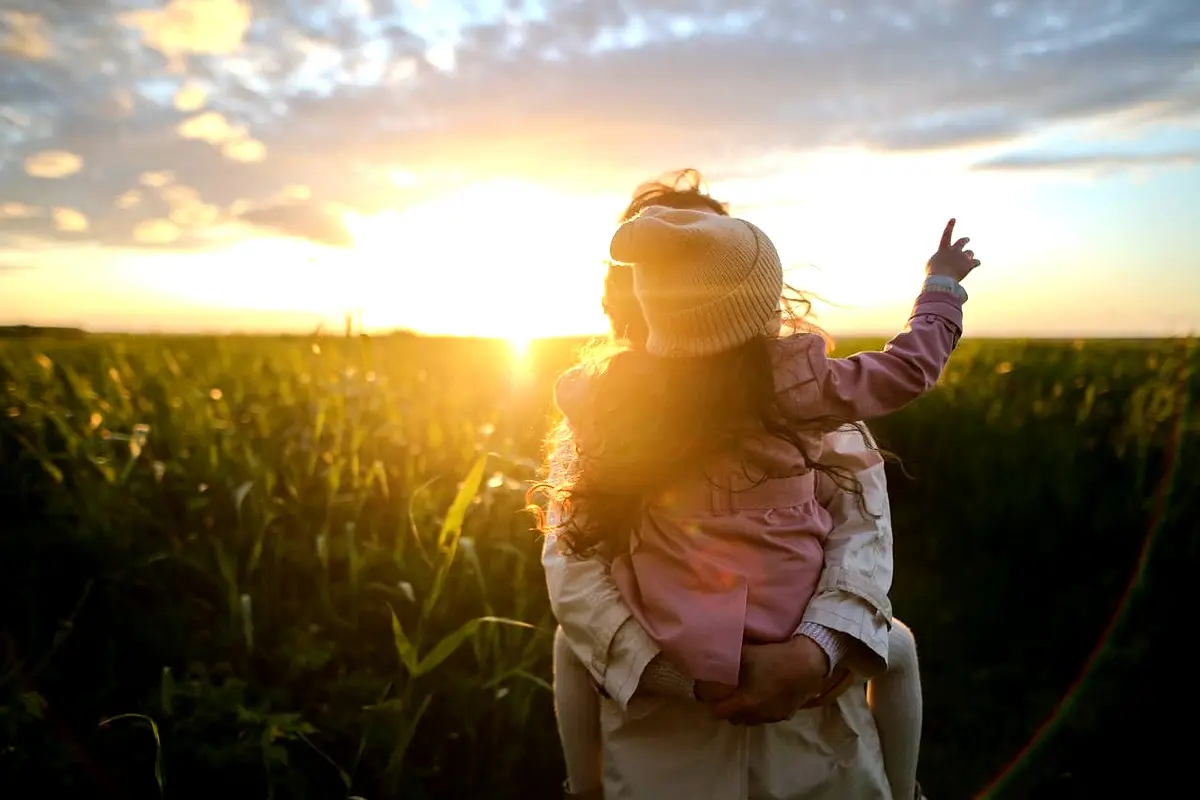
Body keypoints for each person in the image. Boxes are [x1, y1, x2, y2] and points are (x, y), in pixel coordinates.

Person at [539, 171, 974, 799]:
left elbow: (862, 532)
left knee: (568, 649)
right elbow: (574, 568)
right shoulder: (803, 389)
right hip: (663, 737)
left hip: (815, 737)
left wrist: (813, 651)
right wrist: (941, 290)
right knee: (897, 645)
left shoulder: (609, 404)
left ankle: (580, 789)